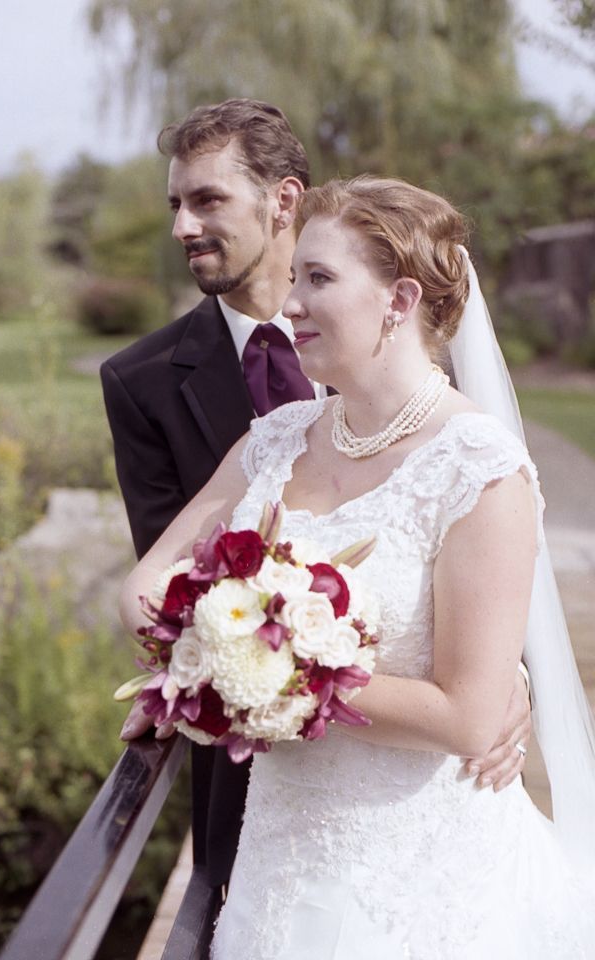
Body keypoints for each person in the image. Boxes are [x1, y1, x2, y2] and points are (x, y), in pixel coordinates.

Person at [119, 175, 595, 958]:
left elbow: (471, 716)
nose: (291, 303)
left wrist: (279, 674)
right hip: (278, 856)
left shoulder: (475, 468)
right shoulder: (274, 440)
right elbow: (146, 587)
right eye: (295, 276)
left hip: (416, 877)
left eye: (319, 279)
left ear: (399, 300)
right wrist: (200, 665)